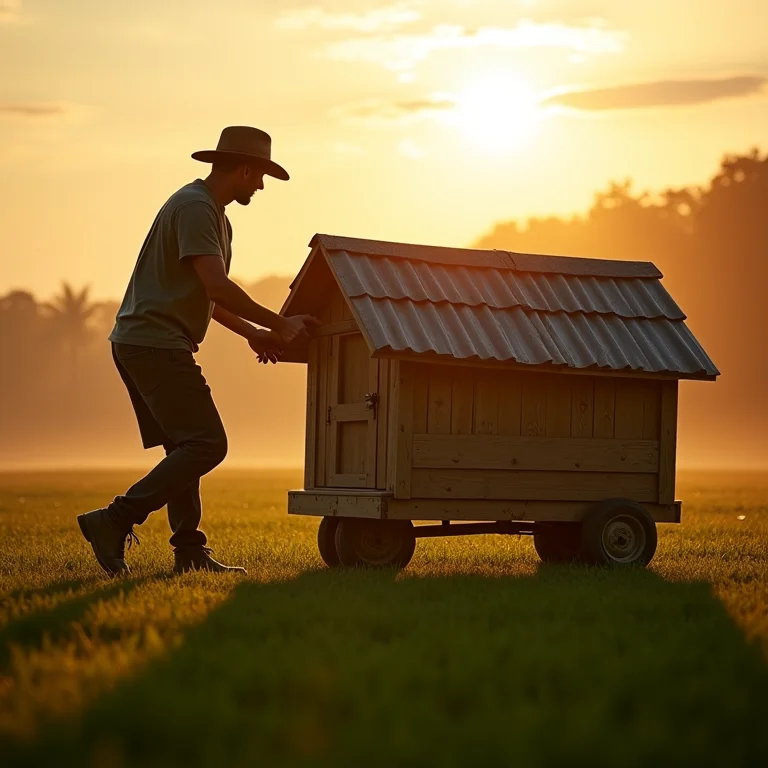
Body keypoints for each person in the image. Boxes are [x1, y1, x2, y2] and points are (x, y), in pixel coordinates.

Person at [77, 125, 319, 577]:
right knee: (208, 444)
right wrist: (279, 324)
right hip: (154, 345)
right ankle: (113, 519)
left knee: (184, 448)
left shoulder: (212, 215)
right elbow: (217, 285)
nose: (261, 187)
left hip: (148, 342)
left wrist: (252, 332)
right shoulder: (195, 208)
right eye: (260, 176)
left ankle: (189, 551)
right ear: (244, 169)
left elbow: (205, 296)